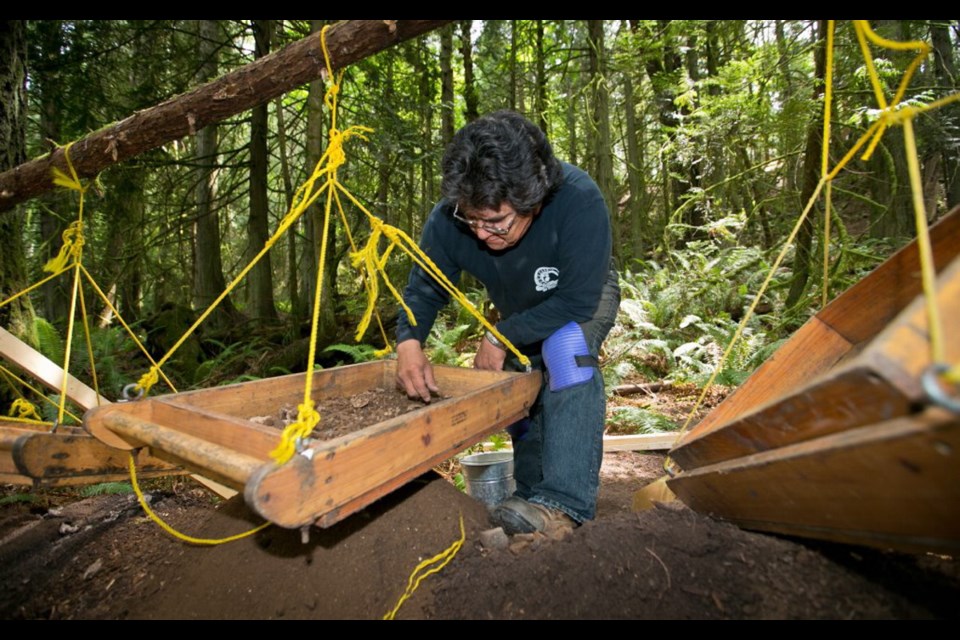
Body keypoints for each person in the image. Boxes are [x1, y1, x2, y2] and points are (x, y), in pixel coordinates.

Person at [396, 110, 620, 535]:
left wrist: (501, 334)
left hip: (579, 294)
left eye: (496, 222)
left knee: (564, 353)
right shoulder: (449, 219)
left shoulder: (577, 199)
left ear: (533, 201)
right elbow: (425, 287)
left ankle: (564, 504)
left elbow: (576, 299)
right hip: (518, 305)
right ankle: (532, 491)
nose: (481, 234)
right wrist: (409, 341)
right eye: (472, 220)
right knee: (520, 382)